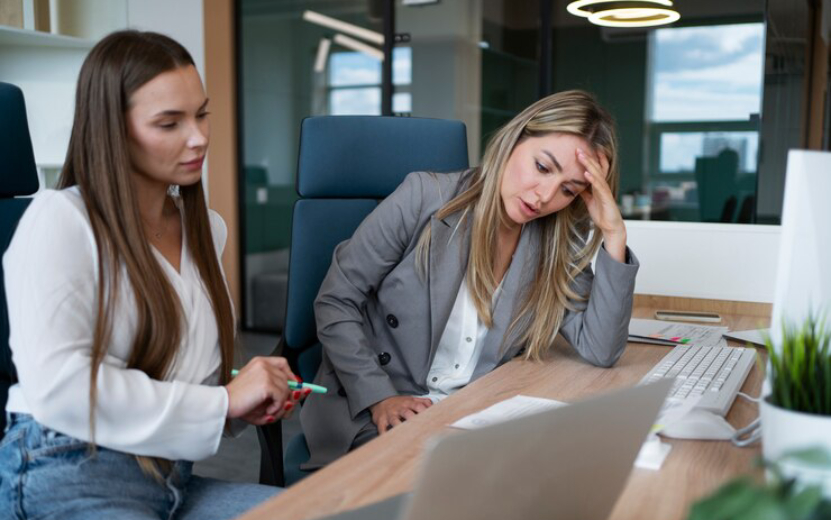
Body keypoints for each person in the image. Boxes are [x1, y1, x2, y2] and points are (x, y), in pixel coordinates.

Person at [0, 30, 304, 520]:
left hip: (170, 477)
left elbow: (187, 380)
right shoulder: (60, 221)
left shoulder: (206, 229)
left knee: (324, 511)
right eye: (169, 123)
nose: (199, 136)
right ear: (112, 130)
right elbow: (62, 389)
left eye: (201, 113)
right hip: (68, 470)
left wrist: (240, 406)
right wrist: (223, 401)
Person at [300, 90, 640, 469]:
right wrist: (379, 396)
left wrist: (613, 234)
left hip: (473, 413)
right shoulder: (423, 197)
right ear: (514, 140)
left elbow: (601, 348)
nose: (544, 196)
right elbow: (335, 300)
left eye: (568, 190)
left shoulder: (553, 244)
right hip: (379, 407)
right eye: (543, 167)